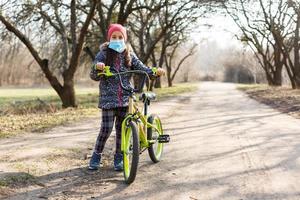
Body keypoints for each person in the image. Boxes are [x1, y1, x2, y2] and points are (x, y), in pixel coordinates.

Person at [89, 24, 164, 171]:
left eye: (120, 37)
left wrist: (154, 71)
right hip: (108, 99)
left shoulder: (128, 53)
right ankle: (96, 155)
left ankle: (119, 157)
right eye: (114, 37)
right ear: (109, 39)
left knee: (122, 130)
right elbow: (93, 73)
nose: (117, 40)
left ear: (124, 38)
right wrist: (98, 68)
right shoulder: (103, 54)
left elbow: (141, 67)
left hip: (125, 97)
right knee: (106, 129)